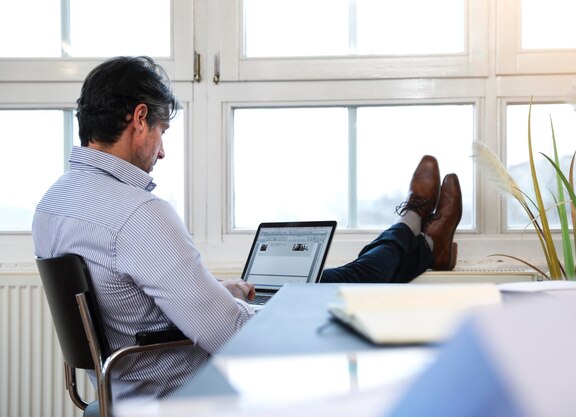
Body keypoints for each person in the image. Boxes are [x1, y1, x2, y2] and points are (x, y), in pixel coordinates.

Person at [32, 56, 462, 405]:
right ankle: (415, 233)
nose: (161, 151)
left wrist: (224, 293)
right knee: (334, 291)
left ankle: (419, 238)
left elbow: (125, 297)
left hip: (121, 391)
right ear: (139, 118)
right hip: (184, 391)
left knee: (319, 283)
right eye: (162, 131)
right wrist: (263, 311)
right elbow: (231, 337)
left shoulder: (52, 205)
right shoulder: (138, 213)